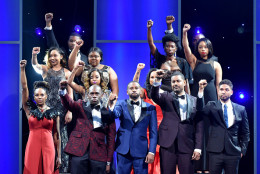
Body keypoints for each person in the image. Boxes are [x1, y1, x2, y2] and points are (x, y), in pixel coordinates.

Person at [182, 23, 223, 173]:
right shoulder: (194, 61)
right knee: (197, 129)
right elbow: (186, 48)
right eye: (200, 47)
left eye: (205, 47)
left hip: (211, 97)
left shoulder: (216, 64)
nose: (203, 50)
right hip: (196, 97)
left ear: (209, 48)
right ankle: (197, 166)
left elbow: (219, 85)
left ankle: (210, 166)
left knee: (210, 131)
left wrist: (220, 106)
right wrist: (185, 33)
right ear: (197, 49)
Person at [150, 70, 206, 174]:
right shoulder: (166, 97)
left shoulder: (194, 100)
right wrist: (157, 80)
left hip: (187, 143)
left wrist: (198, 148)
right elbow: (154, 96)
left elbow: (199, 125)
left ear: (184, 82)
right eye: (173, 82)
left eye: (178, 81)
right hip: (168, 143)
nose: (175, 84)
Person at [59, 82, 116, 174]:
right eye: (92, 93)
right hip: (79, 151)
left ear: (101, 95)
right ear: (87, 95)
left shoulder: (108, 112)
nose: (94, 96)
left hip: (99, 153)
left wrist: (109, 161)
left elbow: (111, 138)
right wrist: (62, 91)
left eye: (97, 93)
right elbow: (69, 103)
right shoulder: (80, 105)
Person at [31, 46, 73, 173]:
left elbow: (70, 93)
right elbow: (35, 65)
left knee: (61, 139)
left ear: (61, 56)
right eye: (50, 55)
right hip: (46, 110)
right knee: (47, 139)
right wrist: (34, 55)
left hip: (62, 109)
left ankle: (61, 169)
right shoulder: (45, 70)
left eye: (55, 55)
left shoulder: (67, 72)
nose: (52, 58)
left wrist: (70, 111)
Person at [200, 79, 250, 174]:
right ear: (218, 91)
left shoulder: (241, 109)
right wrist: (201, 92)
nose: (223, 91)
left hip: (233, 152)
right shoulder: (211, 106)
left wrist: (243, 150)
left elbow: (245, 132)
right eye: (221, 89)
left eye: (227, 89)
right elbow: (200, 111)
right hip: (215, 152)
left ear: (231, 92)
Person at [20, 60, 61, 174]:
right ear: (34, 96)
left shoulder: (54, 112)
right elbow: (24, 88)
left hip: (49, 147)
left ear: (46, 96)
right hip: (32, 146)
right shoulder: (30, 111)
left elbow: (57, 135)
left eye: (42, 95)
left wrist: (59, 156)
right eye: (37, 95)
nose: (39, 97)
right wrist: (22, 69)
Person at [109, 81, 158, 174]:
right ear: (127, 92)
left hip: (141, 150)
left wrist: (152, 151)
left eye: (136, 88)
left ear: (140, 91)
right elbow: (115, 115)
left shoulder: (150, 107)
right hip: (123, 149)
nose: (134, 90)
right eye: (131, 88)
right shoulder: (121, 104)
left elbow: (153, 132)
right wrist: (111, 105)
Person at [44, 13, 88, 101]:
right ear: (67, 42)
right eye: (71, 41)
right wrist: (48, 24)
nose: (73, 43)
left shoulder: (85, 58)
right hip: (62, 91)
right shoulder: (62, 53)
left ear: (80, 42)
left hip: (79, 95)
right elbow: (53, 45)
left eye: (75, 41)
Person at [147, 17, 192, 94]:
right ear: (164, 48)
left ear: (176, 48)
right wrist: (149, 29)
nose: (170, 48)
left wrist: (189, 98)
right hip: (163, 94)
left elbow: (186, 82)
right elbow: (151, 44)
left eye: (172, 47)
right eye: (167, 46)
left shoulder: (182, 62)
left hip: (178, 93)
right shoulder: (160, 59)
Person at [132, 63, 163, 174]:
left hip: (161, 131)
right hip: (147, 130)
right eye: (152, 77)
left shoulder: (164, 93)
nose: (154, 79)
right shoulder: (144, 93)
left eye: (157, 77)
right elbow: (134, 85)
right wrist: (138, 70)